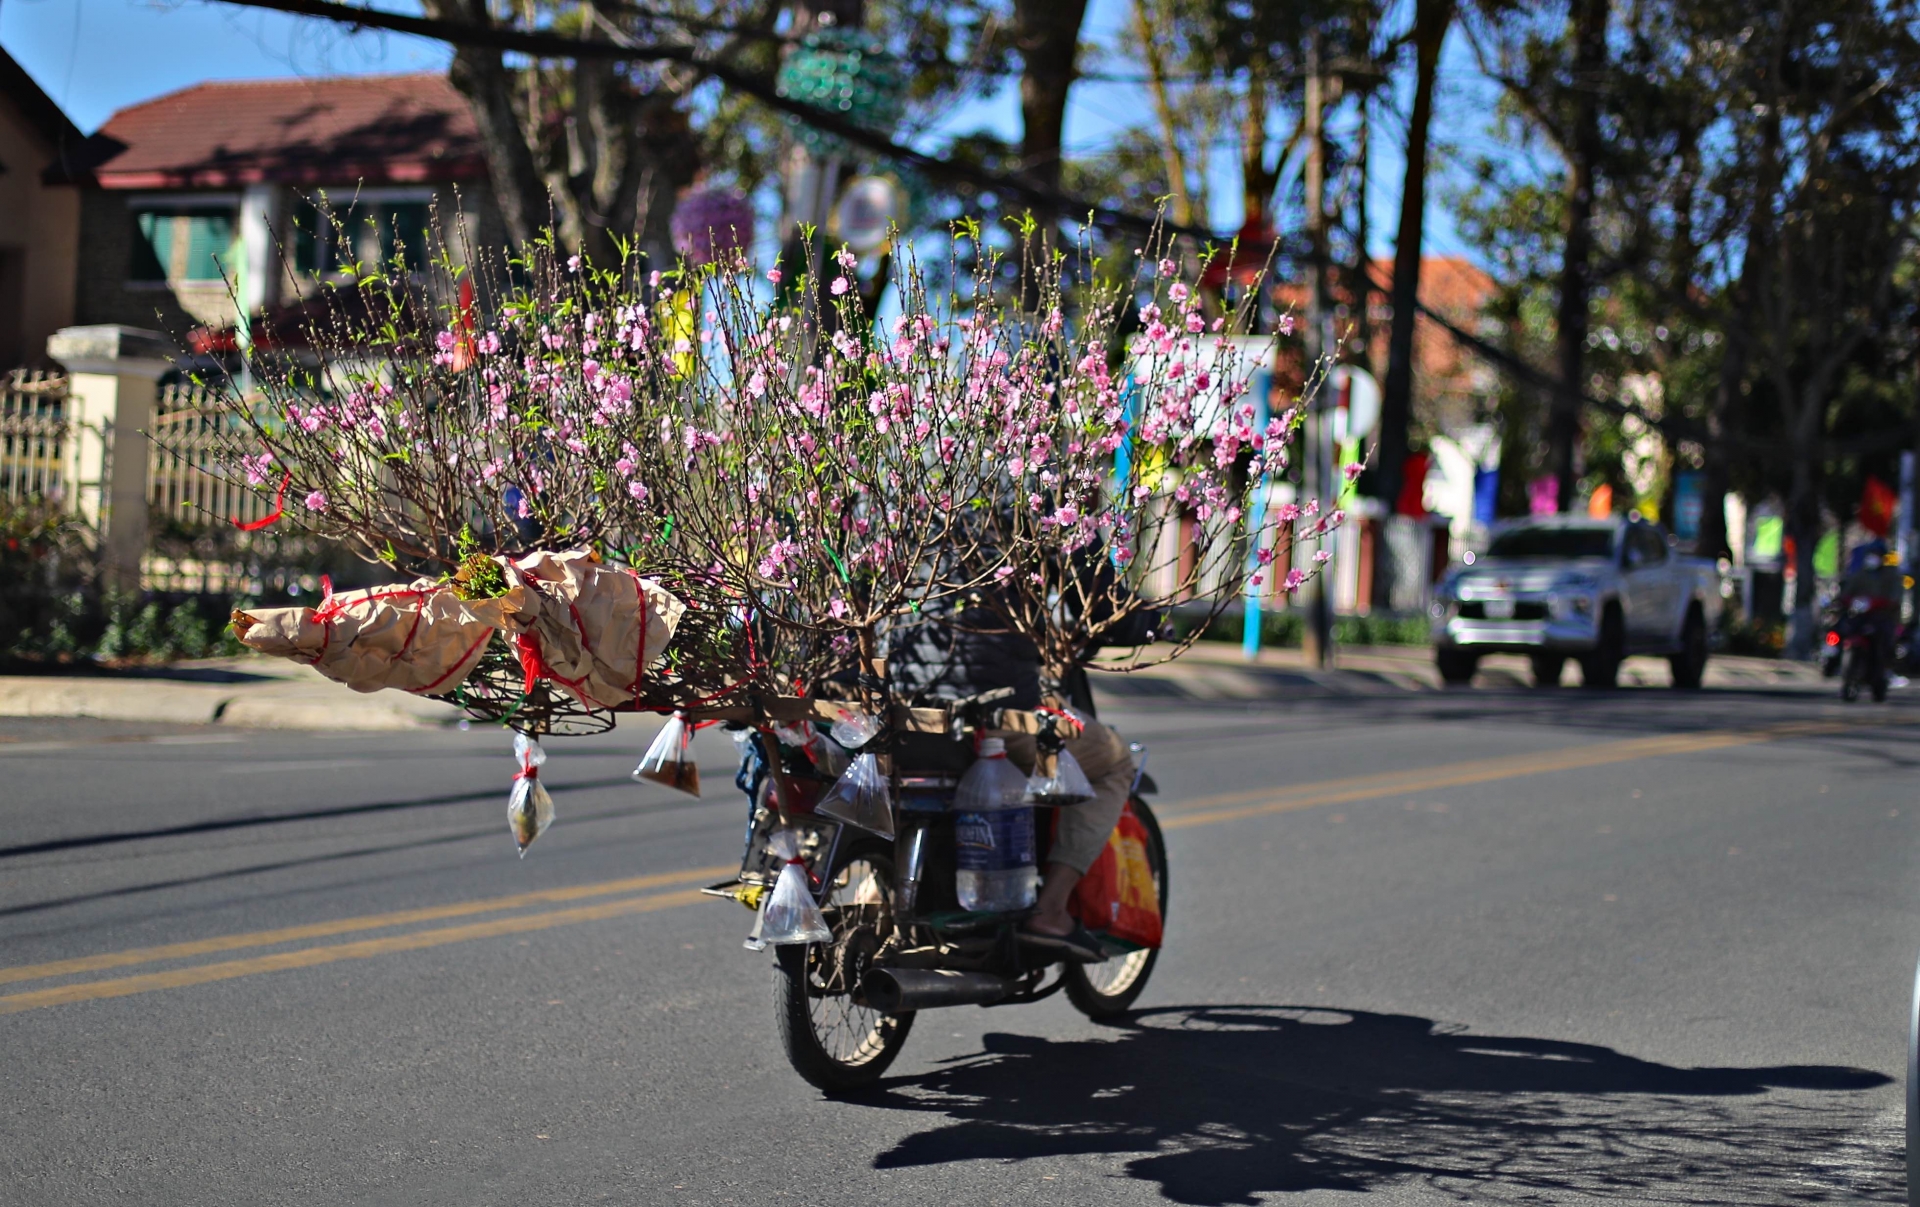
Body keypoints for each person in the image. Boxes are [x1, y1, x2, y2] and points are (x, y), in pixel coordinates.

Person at [886, 590, 1129, 963]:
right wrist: (1145, 622)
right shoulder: (1024, 530)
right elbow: (1099, 597)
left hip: (903, 705)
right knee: (1115, 760)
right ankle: (1050, 909)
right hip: (995, 709)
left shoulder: (894, 532)